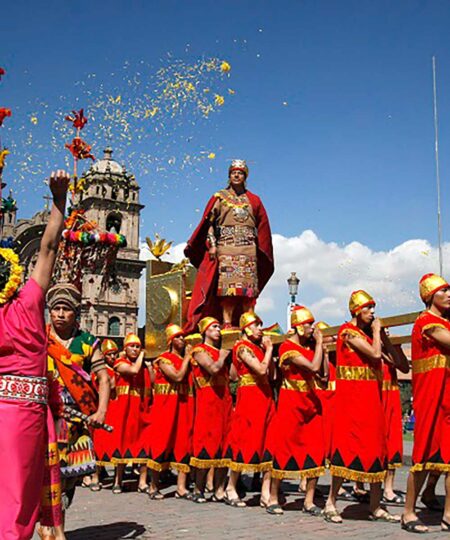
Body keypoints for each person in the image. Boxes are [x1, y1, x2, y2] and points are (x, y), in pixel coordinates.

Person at [0, 170, 69, 540]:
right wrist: (60, 200)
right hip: (24, 412)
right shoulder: (30, 299)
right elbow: (49, 248)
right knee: (18, 494)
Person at [325, 290, 400, 524]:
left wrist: (385, 337)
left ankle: (376, 506)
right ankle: (330, 503)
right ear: (356, 311)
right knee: (346, 449)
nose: (373, 312)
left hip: (372, 401)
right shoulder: (347, 332)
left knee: (377, 448)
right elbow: (376, 355)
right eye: (368, 308)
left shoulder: (368, 336)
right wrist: (377, 332)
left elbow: (400, 364)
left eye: (374, 308)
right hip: (353, 402)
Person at [45, 282, 111, 539]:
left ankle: (56, 522)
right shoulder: (40, 337)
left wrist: (101, 411)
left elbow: (103, 378)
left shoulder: (87, 342)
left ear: (76, 313)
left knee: (69, 479)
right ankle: (53, 529)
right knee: (48, 475)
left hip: (77, 419)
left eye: (66, 309)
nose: (60, 314)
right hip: (46, 419)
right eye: (56, 308)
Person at [184, 160, 274, 331]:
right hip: (226, 248)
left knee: (249, 291)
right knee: (228, 290)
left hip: (248, 251)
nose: (236, 175)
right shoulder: (219, 197)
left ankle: (249, 322)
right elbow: (208, 224)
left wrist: (262, 249)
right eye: (233, 172)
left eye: (240, 172)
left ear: (245, 176)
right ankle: (226, 323)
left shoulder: (254, 200)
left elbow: (262, 226)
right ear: (229, 175)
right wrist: (212, 245)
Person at [265, 306, 326, 516]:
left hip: (312, 404)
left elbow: (323, 373)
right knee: (283, 451)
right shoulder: (287, 349)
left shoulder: (309, 349)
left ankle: (308, 501)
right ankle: (273, 497)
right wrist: (319, 343)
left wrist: (322, 349)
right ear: (299, 327)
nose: (313, 328)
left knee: (315, 450)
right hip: (291, 405)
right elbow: (313, 368)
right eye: (309, 324)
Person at [402, 273, 450, 533]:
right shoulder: (426, 322)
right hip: (431, 398)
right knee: (422, 458)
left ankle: (448, 516)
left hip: (449, 399)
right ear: (431, 296)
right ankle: (408, 513)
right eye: (444, 290)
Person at [224, 312, 275, 507]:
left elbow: (270, 373)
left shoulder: (258, 348)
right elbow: (260, 370)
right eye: (257, 325)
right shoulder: (242, 347)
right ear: (246, 328)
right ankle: (231, 486)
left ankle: (265, 492)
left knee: (268, 440)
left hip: (265, 395)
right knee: (245, 439)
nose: (260, 329)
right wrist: (269, 350)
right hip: (251, 397)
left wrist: (268, 352)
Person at [147, 324, 193, 499]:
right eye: (179, 337)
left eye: (183, 337)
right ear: (171, 340)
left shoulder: (186, 360)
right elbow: (177, 376)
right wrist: (188, 357)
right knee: (162, 441)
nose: (182, 340)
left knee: (183, 442)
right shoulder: (163, 359)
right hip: (166, 406)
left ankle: (181, 487)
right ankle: (153, 485)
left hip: (183, 405)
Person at [190, 317, 232, 502]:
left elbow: (233, 376)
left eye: (219, 327)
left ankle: (219, 489)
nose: (218, 330)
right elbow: (213, 368)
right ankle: (198, 488)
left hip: (224, 400)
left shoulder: (222, 352)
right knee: (206, 442)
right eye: (214, 327)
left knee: (225, 443)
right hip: (208, 401)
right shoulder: (199, 350)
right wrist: (223, 355)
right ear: (205, 331)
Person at [109, 333, 151, 494]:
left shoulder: (144, 366)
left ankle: (142, 482)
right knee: (122, 443)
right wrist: (142, 357)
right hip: (125, 411)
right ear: (125, 349)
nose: (135, 349)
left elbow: (152, 381)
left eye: (138, 346)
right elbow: (133, 371)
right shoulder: (120, 363)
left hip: (140, 408)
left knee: (143, 443)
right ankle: (117, 481)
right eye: (132, 346)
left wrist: (149, 366)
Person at [90, 339, 120, 492]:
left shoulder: (118, 368)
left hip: (116, 410)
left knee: (116, 445)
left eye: (115, 354)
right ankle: (96, 476)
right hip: (103, 410)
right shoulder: (102, 372)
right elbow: (111, 385)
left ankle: (117, 479)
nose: (113, 357)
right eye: (110, 355)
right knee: (99, 445)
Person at [382, 341, 409, 504]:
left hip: (391, 395)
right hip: (375, 395)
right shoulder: (367, 344)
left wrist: (392, 348)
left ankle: (389, 487)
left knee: (392, 442)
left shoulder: (392, 346)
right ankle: (361, 485)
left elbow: (404, 368)